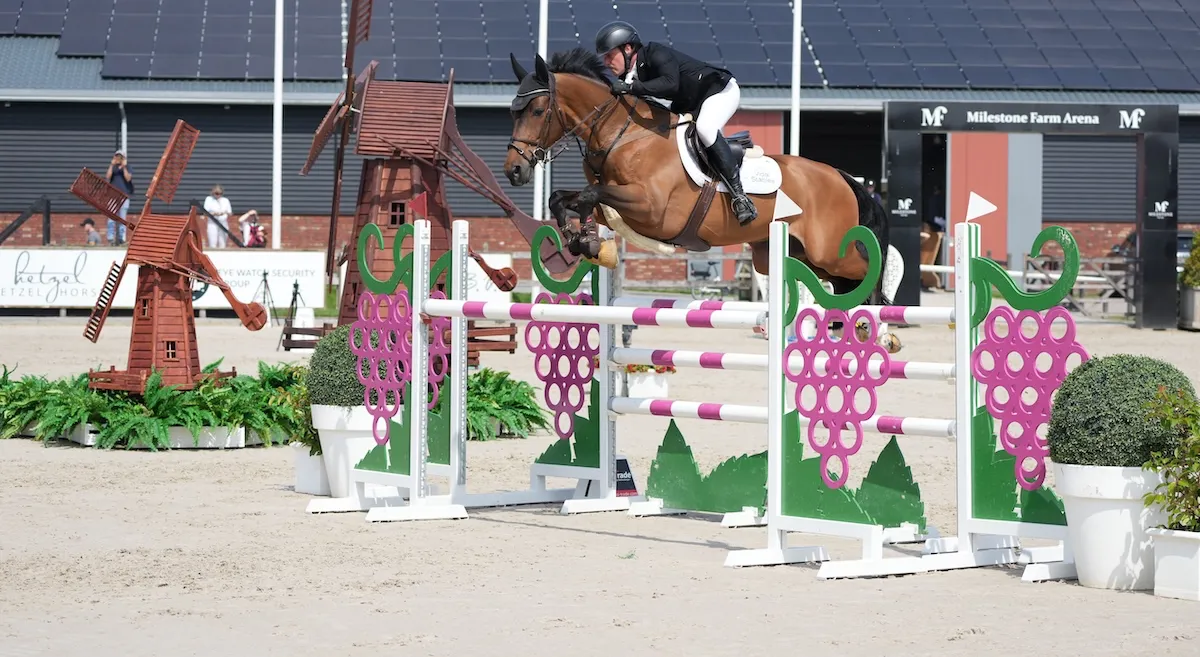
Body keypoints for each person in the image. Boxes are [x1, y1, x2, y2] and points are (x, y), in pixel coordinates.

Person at [595, 20, 758, 225]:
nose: (607, 62)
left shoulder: (655, 53)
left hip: (719, 91)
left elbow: (671, 84)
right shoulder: (630, 76)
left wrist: (631, 88)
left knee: (705, 129)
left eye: (610, 55)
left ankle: (740, 197)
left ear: (628, 49)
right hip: (691, 102)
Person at [106, 150, 133, 245]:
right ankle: (110, 238)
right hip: (112, 196)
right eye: (117, 156)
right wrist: (111, 164)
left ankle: (122, 238)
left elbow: (128, 178)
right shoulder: (113, 167)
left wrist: (124, 166)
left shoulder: (128, 167)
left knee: (122, 218)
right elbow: (108, 176)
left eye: (120, 157)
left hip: (124, 196)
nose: (118, 159)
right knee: (111, 218)